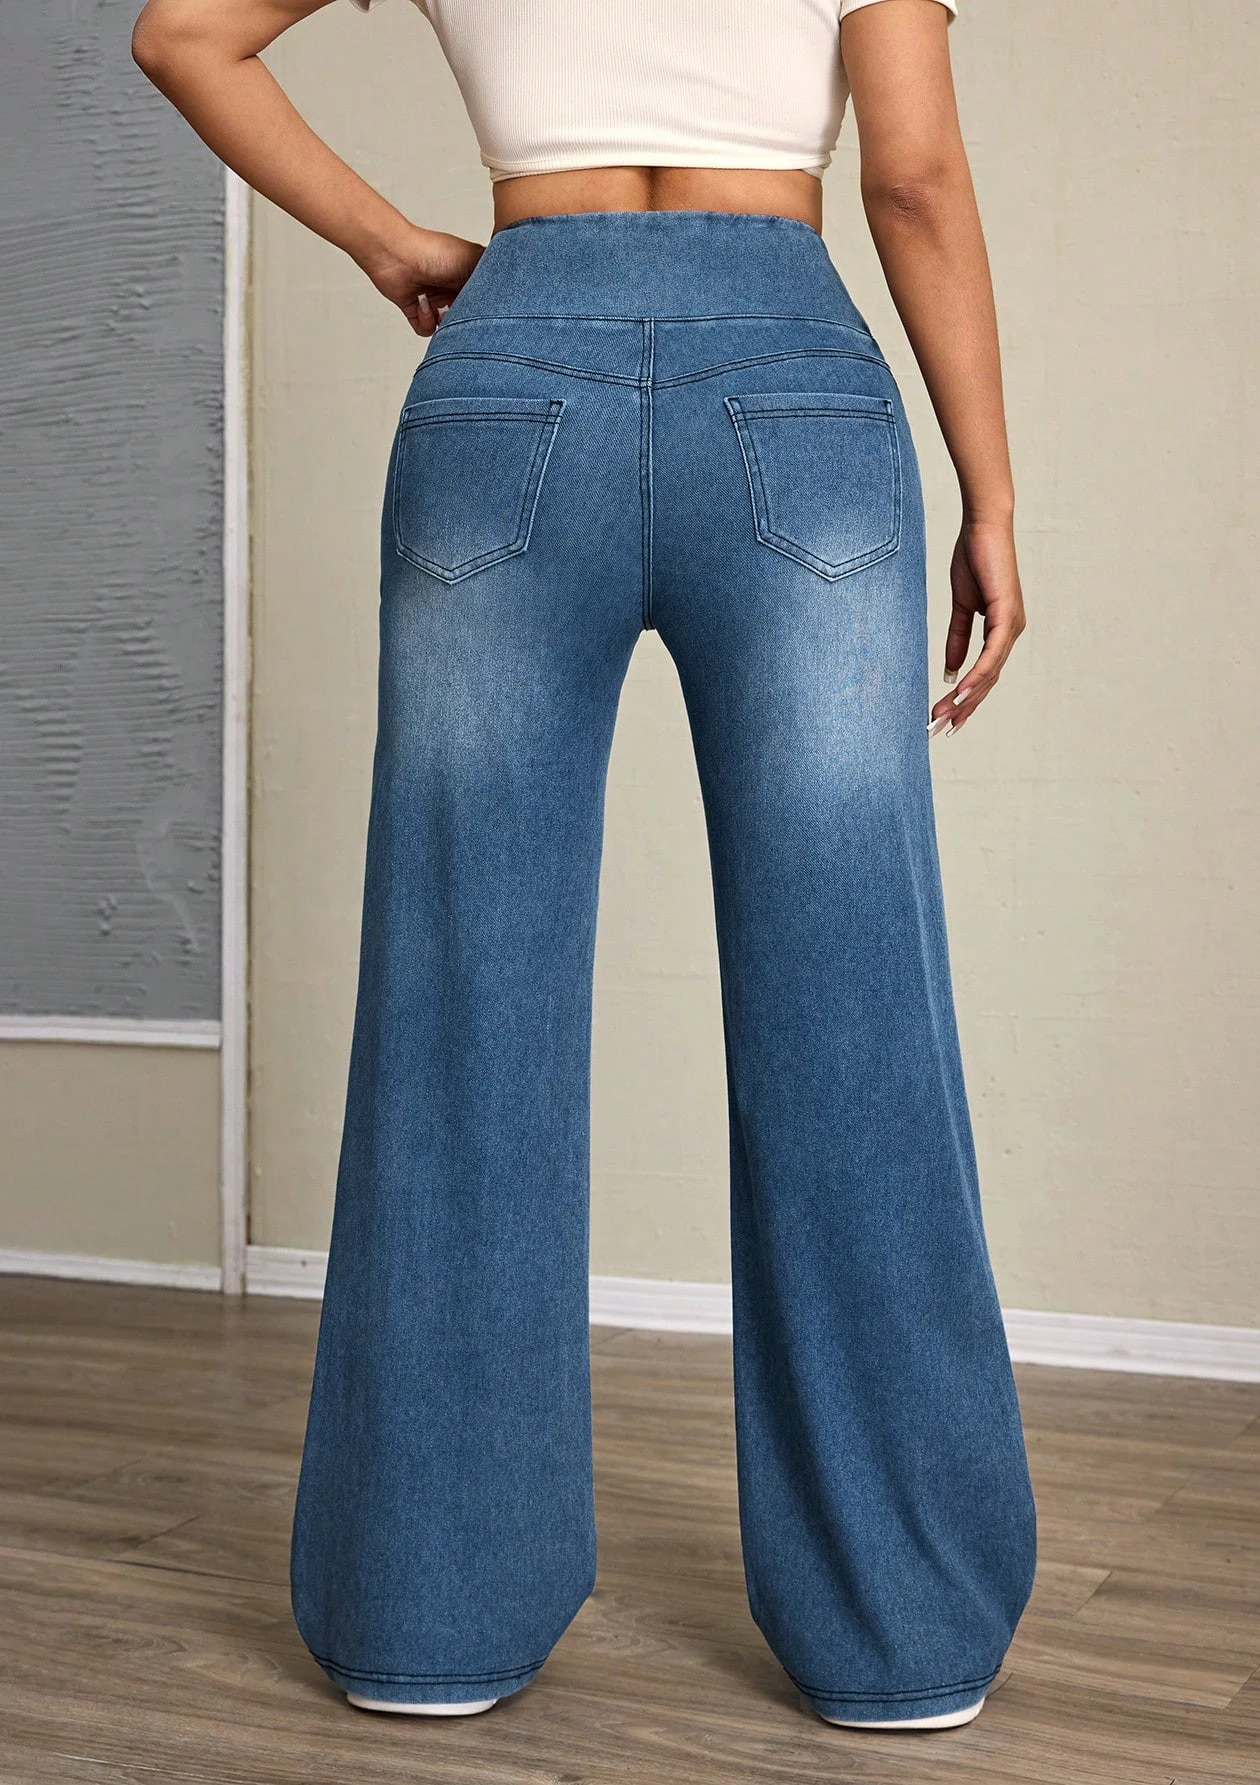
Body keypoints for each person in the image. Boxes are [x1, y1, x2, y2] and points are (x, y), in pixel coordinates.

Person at [132, 0, 1036, 1733]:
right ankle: (903, 1635)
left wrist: (391, 243)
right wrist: (989, 495)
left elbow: (184, 38)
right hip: (795, 396)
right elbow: (913, 178)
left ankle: (429, 1618)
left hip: (506, 385)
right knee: (853, 1010)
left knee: (459, 995)